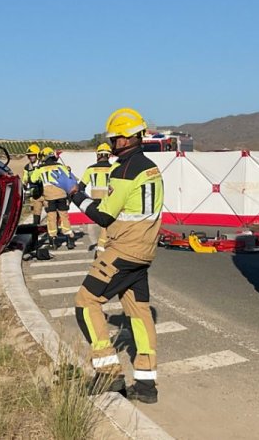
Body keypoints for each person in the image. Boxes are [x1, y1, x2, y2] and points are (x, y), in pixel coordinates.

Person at [69, 108, 163, 404]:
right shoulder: (150, 167)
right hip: (144, 252)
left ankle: (108, 372)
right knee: (139, 312)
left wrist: (74, 193)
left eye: (114, 138)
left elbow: (103, 215)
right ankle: (147, 385)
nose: (111, 143)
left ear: (125, 138)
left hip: (123, 250)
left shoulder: (125, 169)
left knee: (86, 302)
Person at [36, 147, 75, 249]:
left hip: (49, 197)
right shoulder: (59, 166)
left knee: (51, 218)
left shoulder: (40, 168)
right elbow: (68, 175)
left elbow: (33, 179)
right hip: (62, 195)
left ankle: (53, 241)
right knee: (64, 217)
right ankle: (69, 240)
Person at [79, 143, 115, 254]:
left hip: (95, 200)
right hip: (109, 201)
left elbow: (81, 187)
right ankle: (102, 247)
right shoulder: (114, 168)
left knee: (103, 224)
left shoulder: (91, 169)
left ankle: (102, 247)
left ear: (98, 155)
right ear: (109, 156)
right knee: (108, 225)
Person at [22, 144, 43, 226]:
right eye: (29, 156)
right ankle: (35, 234)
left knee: (51, 213)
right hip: (35, 194)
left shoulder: (43, 165)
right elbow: (25, 178)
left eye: (33, 155)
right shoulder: (27, 167)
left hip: (46, 194)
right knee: (36, 214)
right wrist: (24, 183)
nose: (31, 157)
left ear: (37, 155)